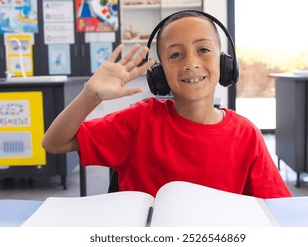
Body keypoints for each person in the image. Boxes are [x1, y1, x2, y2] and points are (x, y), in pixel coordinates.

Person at [42, 10, 292, 199]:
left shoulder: (245, 134)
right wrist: (90, 95)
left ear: (225, 63)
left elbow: (277, 209)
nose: (191, 63)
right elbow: (53, 142)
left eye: (203, 49)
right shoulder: (140, 120)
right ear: (159, 74)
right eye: (175, 54)